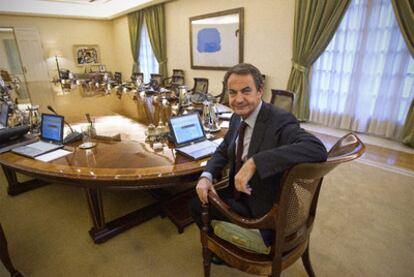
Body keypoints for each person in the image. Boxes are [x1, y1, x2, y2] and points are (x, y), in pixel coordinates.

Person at [189, 63, 328, 252]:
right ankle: (223, 244)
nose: (238, 99)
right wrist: (207, 175)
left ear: (260, 91)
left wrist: (255, 162)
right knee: (196, 199)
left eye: (246, 91)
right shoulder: (237, 117)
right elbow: (224, 149)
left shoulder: (280, 120)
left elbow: (317, 148)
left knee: (196, 206)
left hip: (262, 208)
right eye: (232, 92)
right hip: (237, 192)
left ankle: (223, 249)